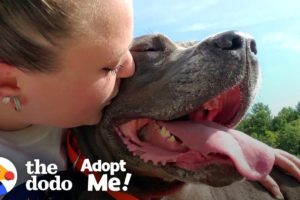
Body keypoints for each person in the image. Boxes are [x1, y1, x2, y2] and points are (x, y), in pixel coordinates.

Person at [0, 0, 299, 200]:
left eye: (131, 52)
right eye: (110, 66)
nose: (128, 68)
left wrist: (232, 145)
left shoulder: (62, 101)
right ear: (9, 83)